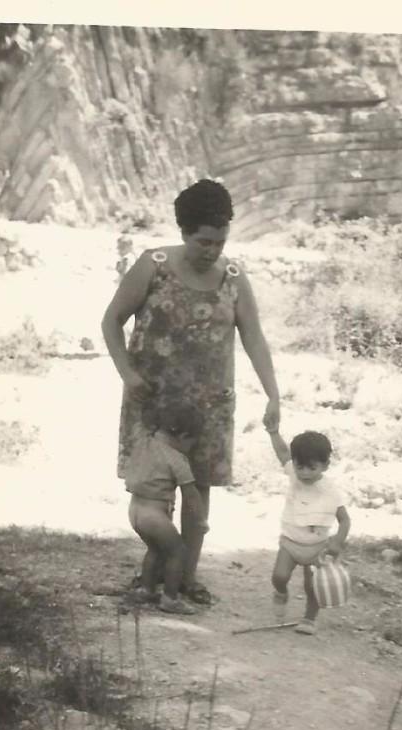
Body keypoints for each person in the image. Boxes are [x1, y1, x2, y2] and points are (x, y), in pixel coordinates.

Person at [101, 178, 280, 605]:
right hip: (154, 405)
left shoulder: (234, 278)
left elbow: (254, 338)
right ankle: (156, 572)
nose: (212, 250)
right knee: (155, 493)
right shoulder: (153, 264)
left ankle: (186, 578)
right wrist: (127, 372)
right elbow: (111, 322)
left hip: (208, 411)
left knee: (198, 498)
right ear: (184, 232)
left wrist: (274, 394)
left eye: (220, 241)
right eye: (203, 241)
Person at [124, 399, 208, 615]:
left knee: (155, 550)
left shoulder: (143, 442)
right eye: (192, 443)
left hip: (135, 511)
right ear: (183, 437)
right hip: (155, 516)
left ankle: (147, 588)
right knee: (178, 551)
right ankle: (170, 598)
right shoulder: (177, 459)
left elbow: (138, 423)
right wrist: (200, 520)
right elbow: (191, 495)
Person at [266, 426, 351, 635]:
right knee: (279, 576)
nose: (304, 473)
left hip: (317, 546)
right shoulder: (294, 477)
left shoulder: (330, 491)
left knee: (313, 585)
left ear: (325, 465)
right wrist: (274, 432)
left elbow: (345, 520)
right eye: (299, 466)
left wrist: (337, 542)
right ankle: (281, 592)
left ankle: (309, 618)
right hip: (290, 541)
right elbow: (283, 453)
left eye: (311, 468)